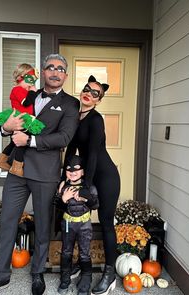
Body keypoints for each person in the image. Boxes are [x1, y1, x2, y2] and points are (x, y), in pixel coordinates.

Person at [0, 53, 80, 295]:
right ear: (43, 72)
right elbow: (12, 118)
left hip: (45, 173)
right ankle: (0, 275)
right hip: (17, 170)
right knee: (8, 219)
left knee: (42, 225)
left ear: (65, 75)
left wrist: (30, 140)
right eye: (50, 67)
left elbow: (63, 137)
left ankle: (37, 273)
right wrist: (5, 128)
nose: (55, 72)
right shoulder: (28, 94)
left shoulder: (71, 104)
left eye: (60, 69)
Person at [62, 75, 121, 295]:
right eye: (87, 89)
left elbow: (94, 154)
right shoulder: (76, 117)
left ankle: (110, 273)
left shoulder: (96, 119)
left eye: (95, 93)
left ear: (98, 100)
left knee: (106, 223)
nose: (89, 93)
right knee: (82, 219)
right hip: (89, 176)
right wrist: (63, 177)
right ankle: (84, 263)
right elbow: (71, 149)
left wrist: (86, 186)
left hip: (105, 177)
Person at [54, 155, 98, 295]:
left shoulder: (89, 186)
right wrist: (63, 199)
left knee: (85, 253)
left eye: (77, 170)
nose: (72, 172)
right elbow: (55, 205)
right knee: (66, 251)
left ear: (83, 171)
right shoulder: (62, 186)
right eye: (69, 170)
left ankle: (85, 282)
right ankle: (65, 279)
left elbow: (96, 204)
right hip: (68, 223)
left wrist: (86, 199)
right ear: (65, 171)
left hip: (84, 225)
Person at [0, 63, 41, 177]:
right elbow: (26, 102)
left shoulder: (23, 90)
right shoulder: (17, 90)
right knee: (22, 143)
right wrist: (33, 92)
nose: (31, 84)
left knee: (13, 142)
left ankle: (1, 160)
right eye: (29, 80)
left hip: (24, 117)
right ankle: (16, 167)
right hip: (21, 118)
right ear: (21, 78)